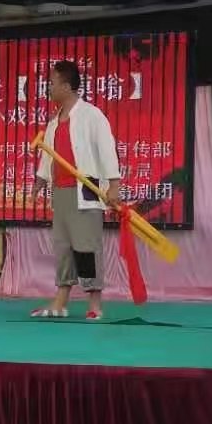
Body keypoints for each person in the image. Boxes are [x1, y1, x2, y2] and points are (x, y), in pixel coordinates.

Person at [32, 60, 122, 321]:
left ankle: (94, 303)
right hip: (60, 194)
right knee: (62, 247)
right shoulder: (54, 122)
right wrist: (40, 181)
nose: (48, 88)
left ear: (66, 86)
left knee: (86, 248)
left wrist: (114, 184)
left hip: (85, 192)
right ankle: (60, 301)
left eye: (51, 83)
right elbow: (48, 157)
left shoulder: (92, 115)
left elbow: (107, 148)